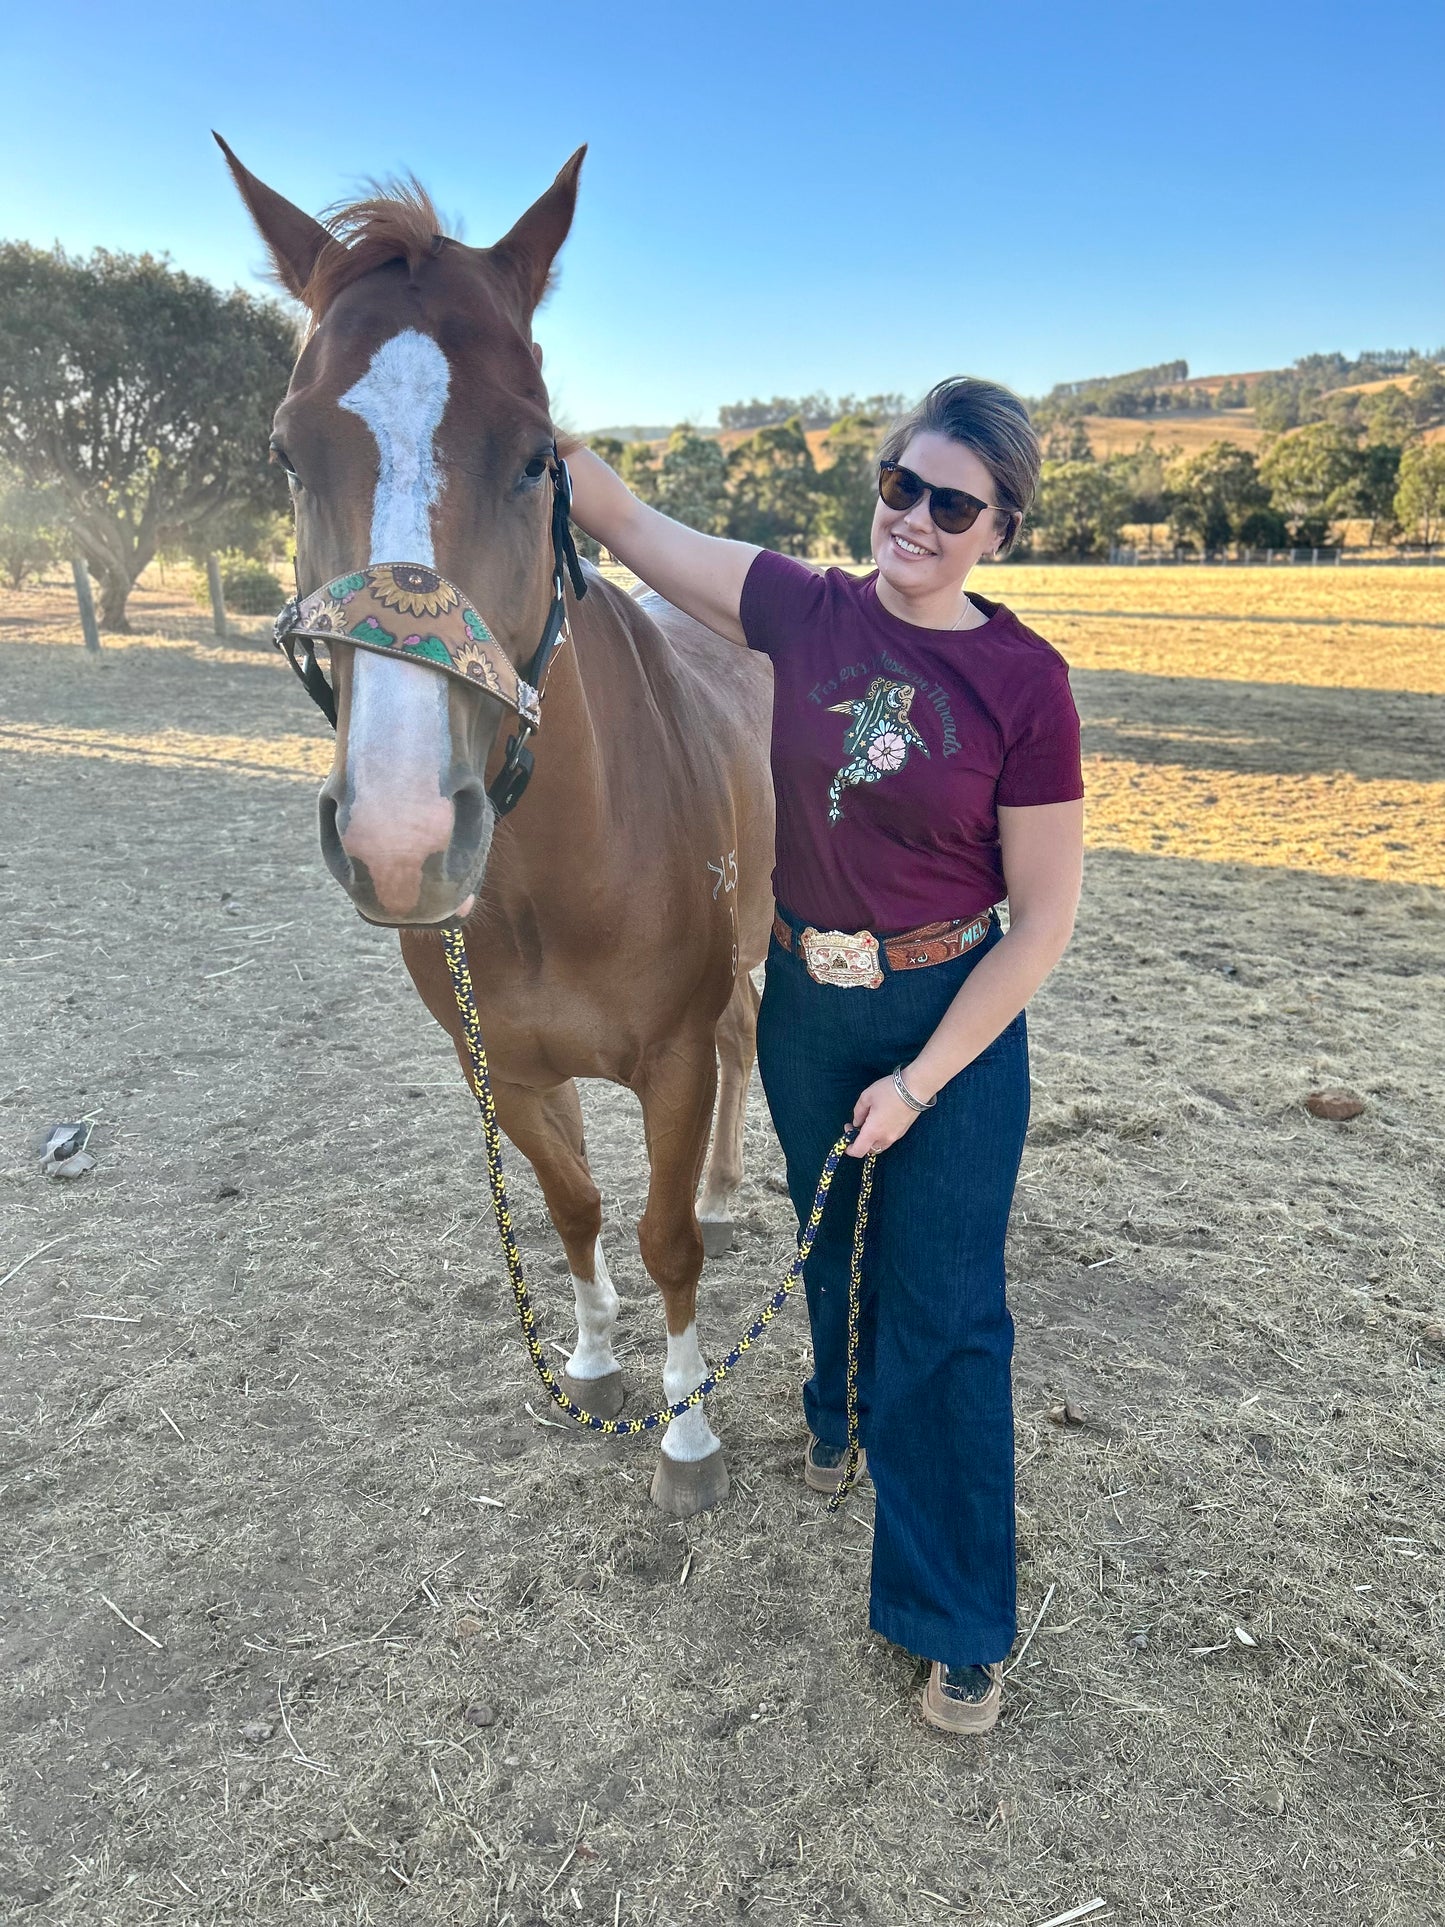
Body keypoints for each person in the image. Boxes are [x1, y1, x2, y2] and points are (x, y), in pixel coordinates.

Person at [562, 378, 1084, 1735]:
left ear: (999, 529)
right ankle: (836, 1413)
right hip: (804, 1002)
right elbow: (619, 515)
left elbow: (1042, 925)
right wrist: (488, 367)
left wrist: (918, 1084)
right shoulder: (806, 609)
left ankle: (954, 1617)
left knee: (948, 1312)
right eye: (899, 486)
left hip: (949, 1021)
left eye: (950, 503)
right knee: (830, 1232)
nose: (913, 518)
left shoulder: (1022, 679)